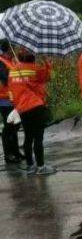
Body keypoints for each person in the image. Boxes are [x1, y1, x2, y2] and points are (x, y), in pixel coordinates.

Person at [1, 47, 55, 175]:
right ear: (33, 58)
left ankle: (30, 166)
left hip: (22, 108)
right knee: (38, 137)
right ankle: (41, 166)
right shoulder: (35, 69)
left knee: (28, 137)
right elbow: (46, 78)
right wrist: (47, 64)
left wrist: (17, 105)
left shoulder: (13, 71)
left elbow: (11, 90)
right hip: (36, 106)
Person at [0, 40, 23, 164]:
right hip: (4, 100)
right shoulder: (1, 62)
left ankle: (16, 151)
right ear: (8, 49)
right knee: (8, 127)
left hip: (13, 99)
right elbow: (5, 78)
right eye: (12, 48)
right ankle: (8, 154)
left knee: (15, 125)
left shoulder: (10, 61)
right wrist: (17, 73)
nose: (14, 50)